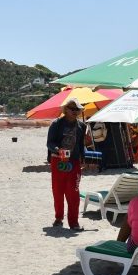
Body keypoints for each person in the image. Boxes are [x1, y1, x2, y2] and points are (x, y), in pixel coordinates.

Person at [47, 98, 86, 230]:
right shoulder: (56, 124)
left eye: (77, 109)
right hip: (57, 161)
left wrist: (84, 159)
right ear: (66, 109)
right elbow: (50, 143)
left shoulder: (82, 126)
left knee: (73, 192)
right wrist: (59, 150)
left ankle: (74, 222)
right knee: (58, 191)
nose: (75, 111)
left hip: (74, 162)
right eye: (72, 109)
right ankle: (58, 218)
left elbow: (81, 145)